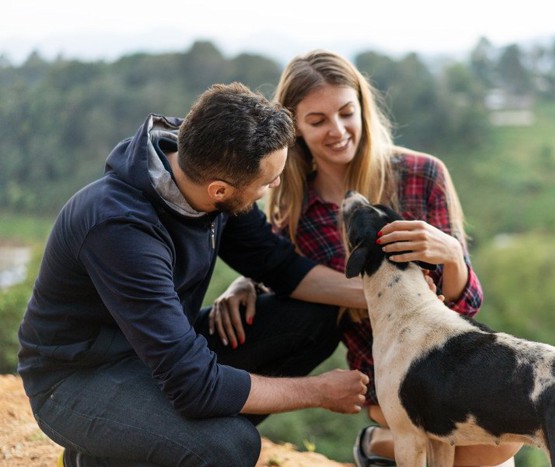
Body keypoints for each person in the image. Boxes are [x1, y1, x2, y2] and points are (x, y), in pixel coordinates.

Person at [17, 81, 371, 467]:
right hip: (77, 380)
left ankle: (147, 443)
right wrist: (319, 391)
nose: (274, 186)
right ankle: (110, 454)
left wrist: (383, 296)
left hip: (161, 354)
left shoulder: (211, 158)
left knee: (315, 316)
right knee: (230, 447)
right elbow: (194, 384)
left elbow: (279, 265)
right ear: (219, 191)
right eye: (268, 182)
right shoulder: (119, 229)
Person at [209, 51, 522, 466]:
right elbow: (288, 280)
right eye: (317, 121)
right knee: (466, 450)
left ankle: (375, 445)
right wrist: (245, 282)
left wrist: (451, 256)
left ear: (363, 109)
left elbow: (465, 306)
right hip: (383, 371)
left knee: (505, 439)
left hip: (451, 356)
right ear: (296, 128)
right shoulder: (293, 209)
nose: (337, 131)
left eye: (346, 113)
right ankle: (379, 439)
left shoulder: (422, 174)